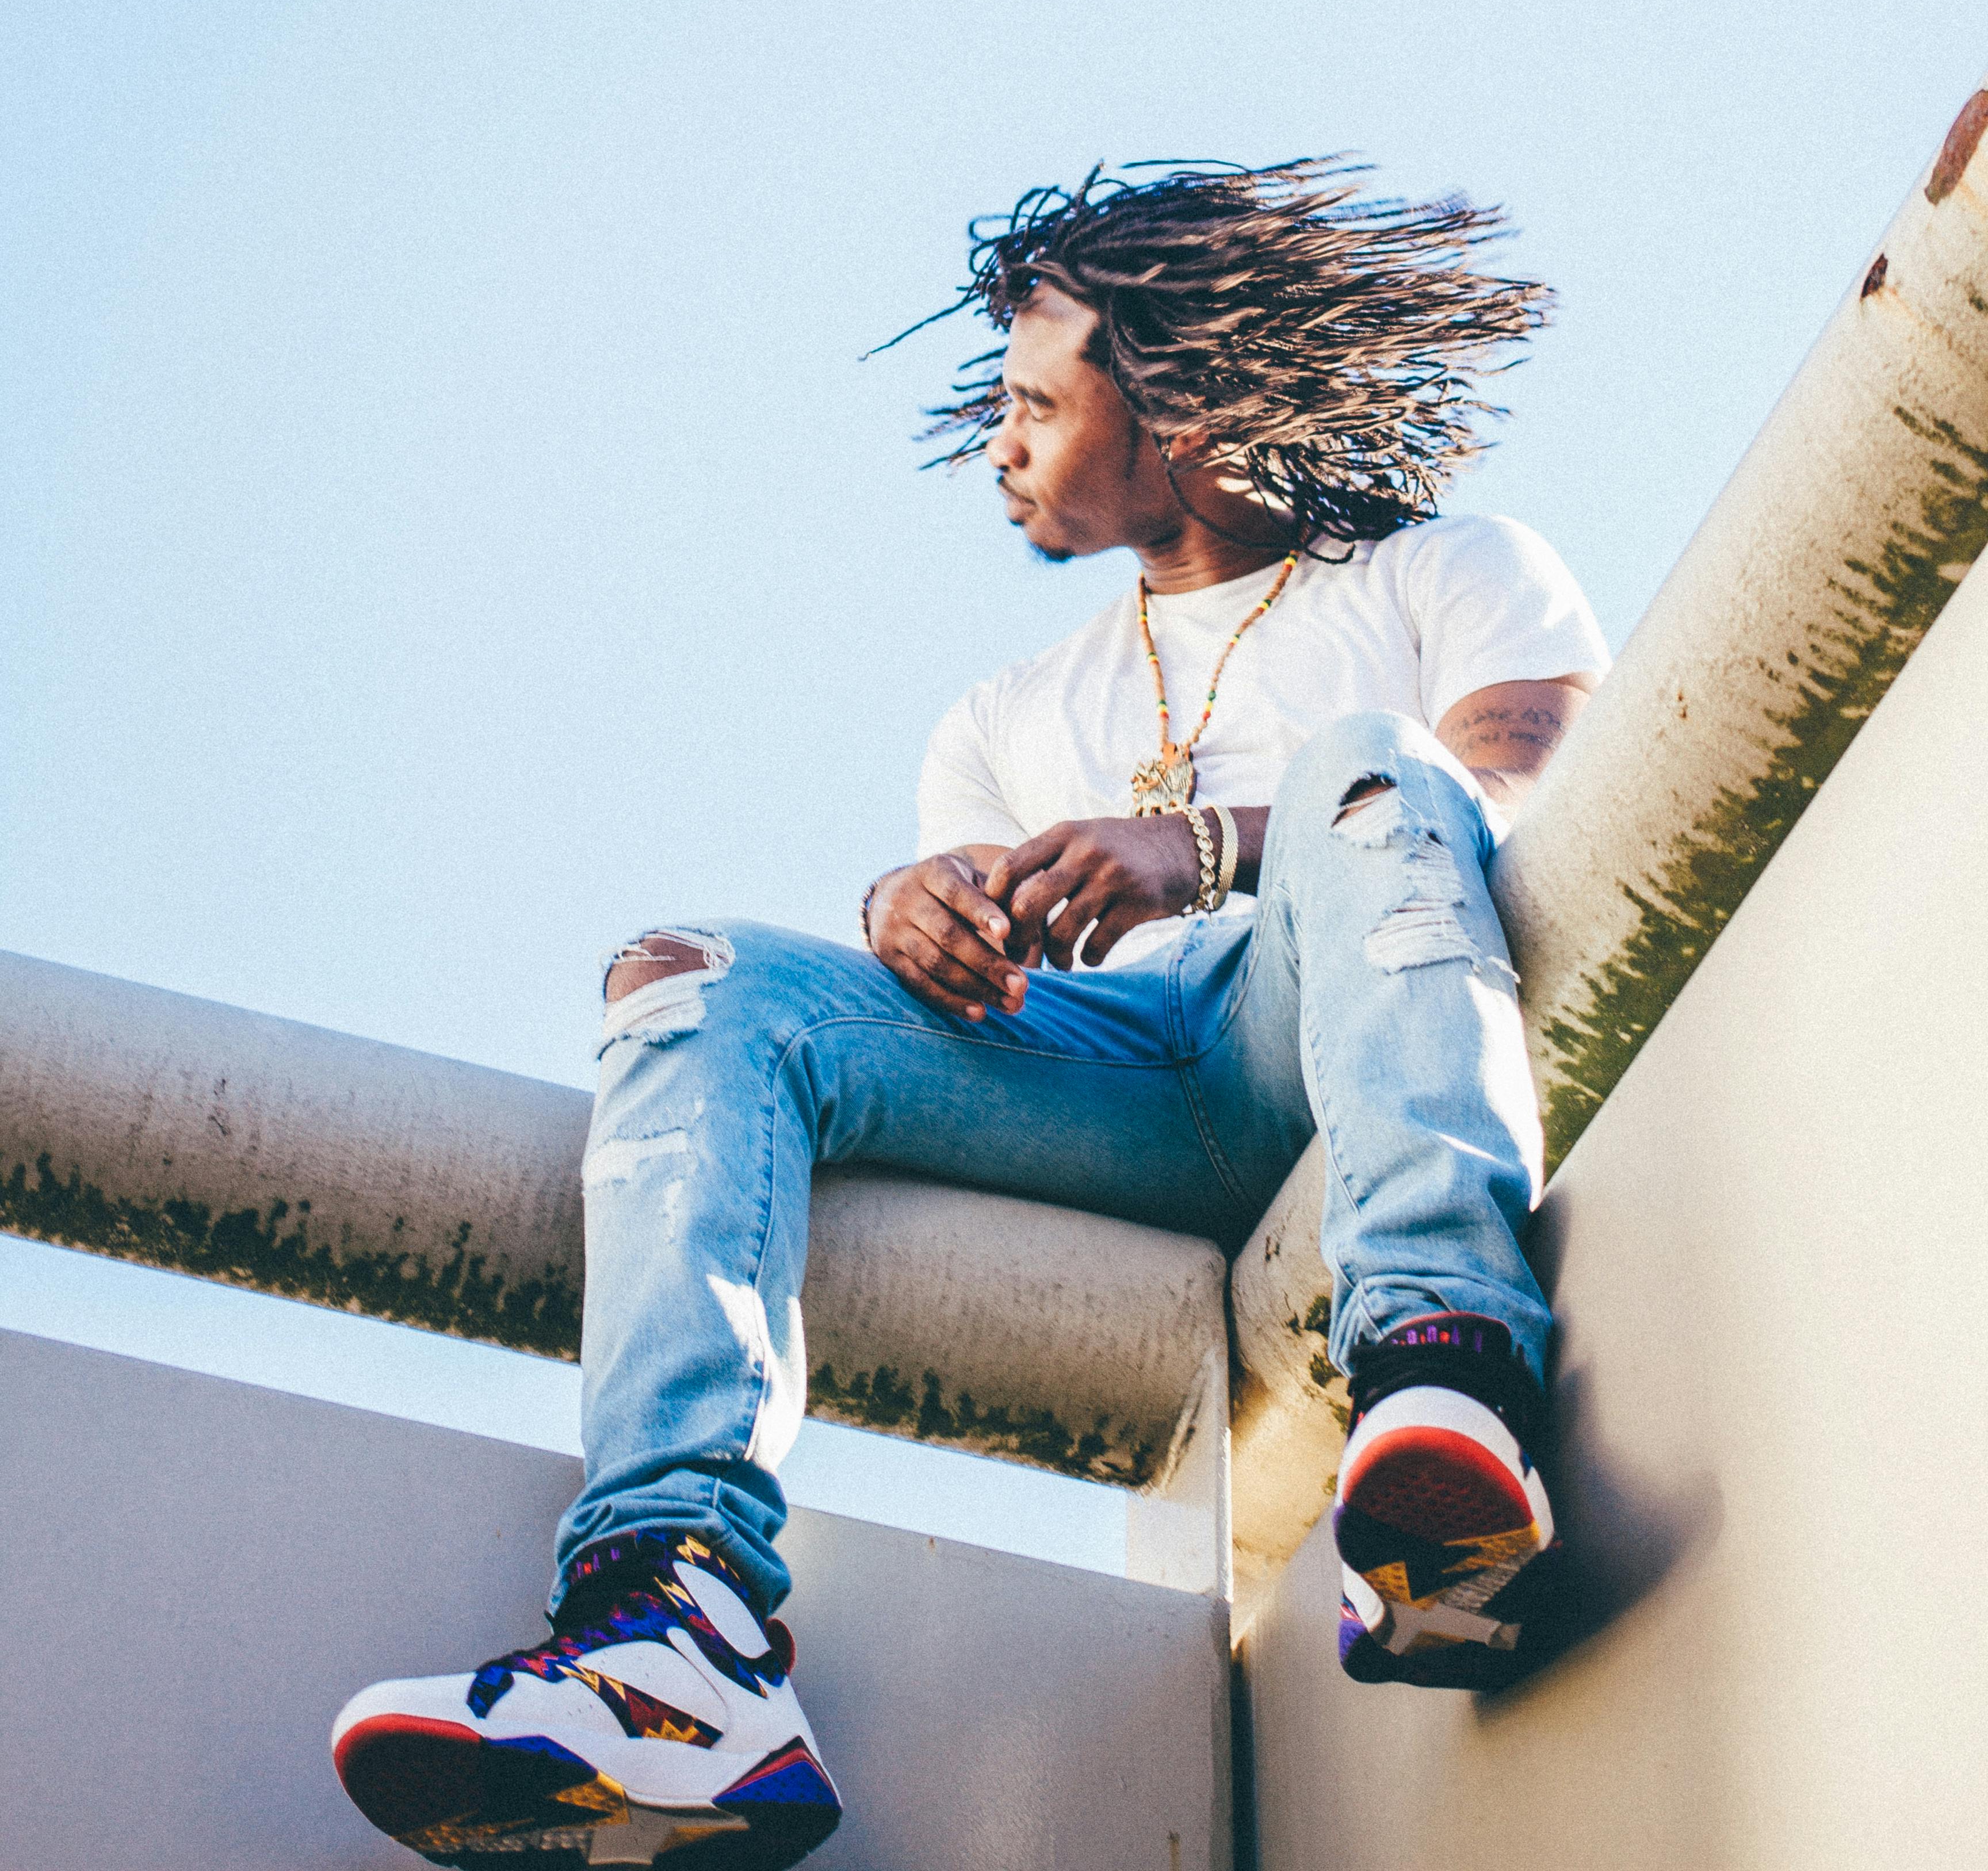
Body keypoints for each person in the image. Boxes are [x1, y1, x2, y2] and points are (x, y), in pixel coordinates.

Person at [332, 160, 1608, 1865]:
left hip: (1329, 1022)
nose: (995, 445)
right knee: (694, 973)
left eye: (1033, 401)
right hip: (1117, 1087)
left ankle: (1443, 1384)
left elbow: (1539, 787)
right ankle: (674, 1637)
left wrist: (1207, 846)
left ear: (1177, 399)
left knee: (1370, 763)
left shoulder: (1440, 571)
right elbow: (987, 978)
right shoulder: (1007, 716)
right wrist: (909, 919)